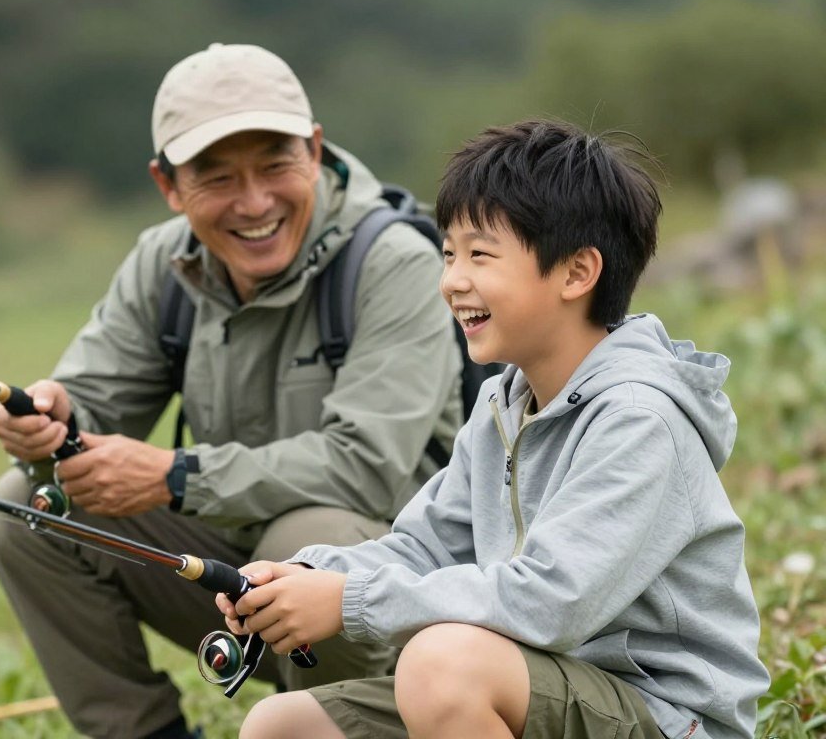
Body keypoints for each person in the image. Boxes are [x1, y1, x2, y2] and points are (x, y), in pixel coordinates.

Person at [218, 119, 771, 739]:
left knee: (442, 666)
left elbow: (550, 602)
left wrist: (348, 604)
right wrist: (311, 574)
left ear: (576, 273)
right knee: (282, 726)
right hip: (546, 687)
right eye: (448, 253)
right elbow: (423, 546)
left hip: (670, 719)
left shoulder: (639, 420)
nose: (452, 279)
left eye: (480, 254)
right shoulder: (502, 406)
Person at [0, 43, 463, 739]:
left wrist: (176, 477)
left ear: (316, 149)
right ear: (168, 185)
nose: (255, 201)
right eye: (218, 177)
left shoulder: (394, 262)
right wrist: (48, 427)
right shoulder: (162, 259)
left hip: (392, 592)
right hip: (231, 572)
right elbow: (85, 407)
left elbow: (366, 468)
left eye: (275, 164)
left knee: (309, 541)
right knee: (24, 509)